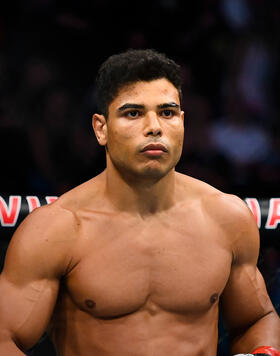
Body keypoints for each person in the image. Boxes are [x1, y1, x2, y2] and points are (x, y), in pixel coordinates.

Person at [0, 49, 279, 356]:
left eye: (167, 112)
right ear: (101, 128)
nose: (154, 127)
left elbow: (256, 318)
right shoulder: (57, 229)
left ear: (183, 122)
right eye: (133, 113)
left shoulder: (226, 218)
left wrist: (263, 351)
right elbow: (5, 337)